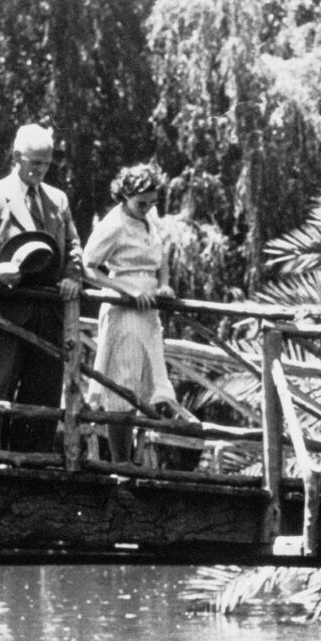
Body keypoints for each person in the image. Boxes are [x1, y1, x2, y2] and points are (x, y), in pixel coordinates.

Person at [0, 124, 83, 453]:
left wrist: (72, 276)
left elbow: (73, 246)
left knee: (43, 395)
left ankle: (33, 465)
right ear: (16, 156)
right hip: (7, 311)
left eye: (46, 164)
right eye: (34, 163)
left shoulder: (58, 200)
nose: (40, 170)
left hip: (49, 314)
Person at [80, 161, 191, 465]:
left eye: (152, 202)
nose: (148, 208)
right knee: (121, 386)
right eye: (142, 203)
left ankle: (135, 461)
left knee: (145, 384)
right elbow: (88, 267)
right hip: (124, 311)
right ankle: (121, 463)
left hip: (148, 312)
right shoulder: (113, 225)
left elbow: (161, 256)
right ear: (125, 195)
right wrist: (125, 290)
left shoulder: (149, 218)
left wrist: (164, 284)